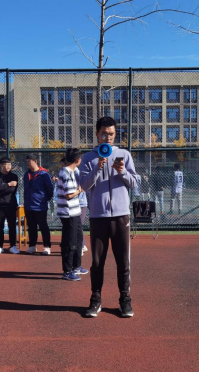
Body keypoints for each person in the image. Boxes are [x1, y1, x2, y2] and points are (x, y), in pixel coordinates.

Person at [80, 116, 137, 318]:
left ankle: (125, 299)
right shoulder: (88, 158)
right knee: (97, 262)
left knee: (123, 260)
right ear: (97, 134)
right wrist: (98, 167)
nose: (108, 137)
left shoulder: (124, 155)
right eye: (104, 134)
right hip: (98, 216)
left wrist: (123, 172)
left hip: (121, 216)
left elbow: (134, 183)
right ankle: (96, 299)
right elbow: (84, 185)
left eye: (111, 134)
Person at [57, 148, 88, 281]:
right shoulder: (66, 173)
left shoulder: (72, 172)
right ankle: (67, 270)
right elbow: (69, 195)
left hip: (75, 212)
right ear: (78, 160)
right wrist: (80, 190)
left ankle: (76, 266)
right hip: (68, 213)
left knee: (78, 239)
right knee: (70, 242)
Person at [24, 153, 54, 255]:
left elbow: (50, 189)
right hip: (28, 206)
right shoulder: (26, 174)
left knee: (43, 227)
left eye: (29, 161)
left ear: (35, 161)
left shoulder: (44, 174)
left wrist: (44, 199)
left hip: (40, 206)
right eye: (27, 161)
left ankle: (47, 246)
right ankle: (32, 246)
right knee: (31, 227)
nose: (27, 163)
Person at [0, 157, 20, 255]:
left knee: (12, 225)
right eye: (6, 164)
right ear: (1, 165)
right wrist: (8, 184)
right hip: (0, 205)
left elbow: (12, 190)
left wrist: (0, 192)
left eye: (9, 164)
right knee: (0, 226)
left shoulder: (14, 176)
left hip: (11, 204)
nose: (8, 166)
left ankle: (13, 246)